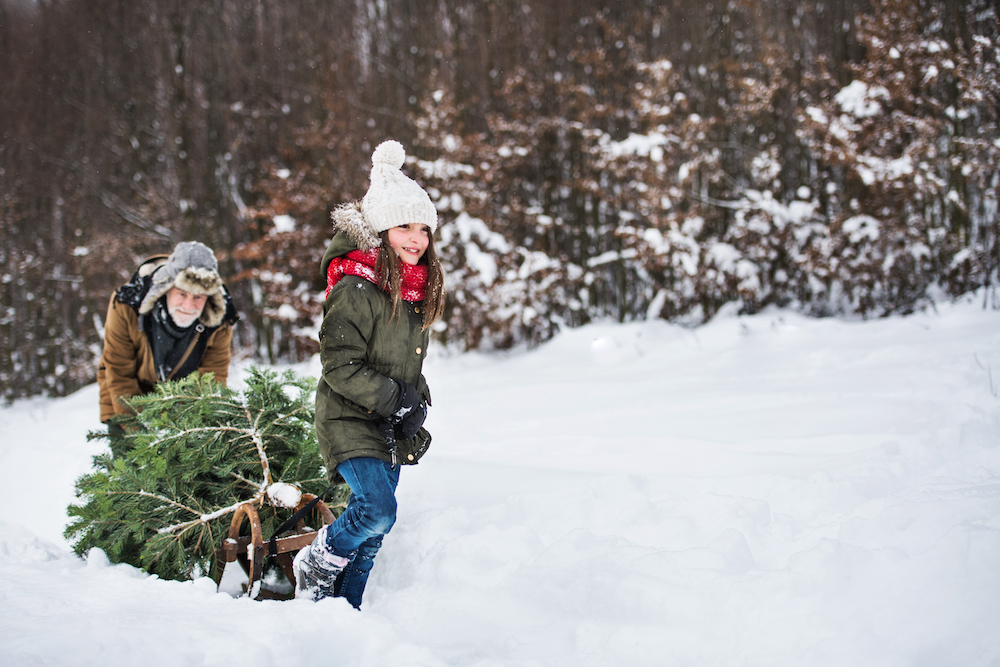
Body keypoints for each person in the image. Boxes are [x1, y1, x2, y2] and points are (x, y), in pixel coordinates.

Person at [293, 139, 445, 607]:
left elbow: (405, 362)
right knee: (376, 510)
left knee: (375, 536)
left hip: (389, 424)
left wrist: (416, 402)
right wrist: (395, 398)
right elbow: (340, 364)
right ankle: (316, 562)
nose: (415, 238)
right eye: (404, 226)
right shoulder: (357, 287)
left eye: (423, 228)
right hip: (348, 417)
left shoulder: (413, 291)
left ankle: (344, 612)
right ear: (380, 229)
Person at [97, 241, 239, 453]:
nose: (189, 306)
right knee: (133, 471)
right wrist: (142, 434)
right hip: (127, 394)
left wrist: (191, 430)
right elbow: (119, 373)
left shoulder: (219, 319)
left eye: (198, 297)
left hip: (182, 400)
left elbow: (213, 378)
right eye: (182, 294)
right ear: (166, 288)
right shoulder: (127, 305)